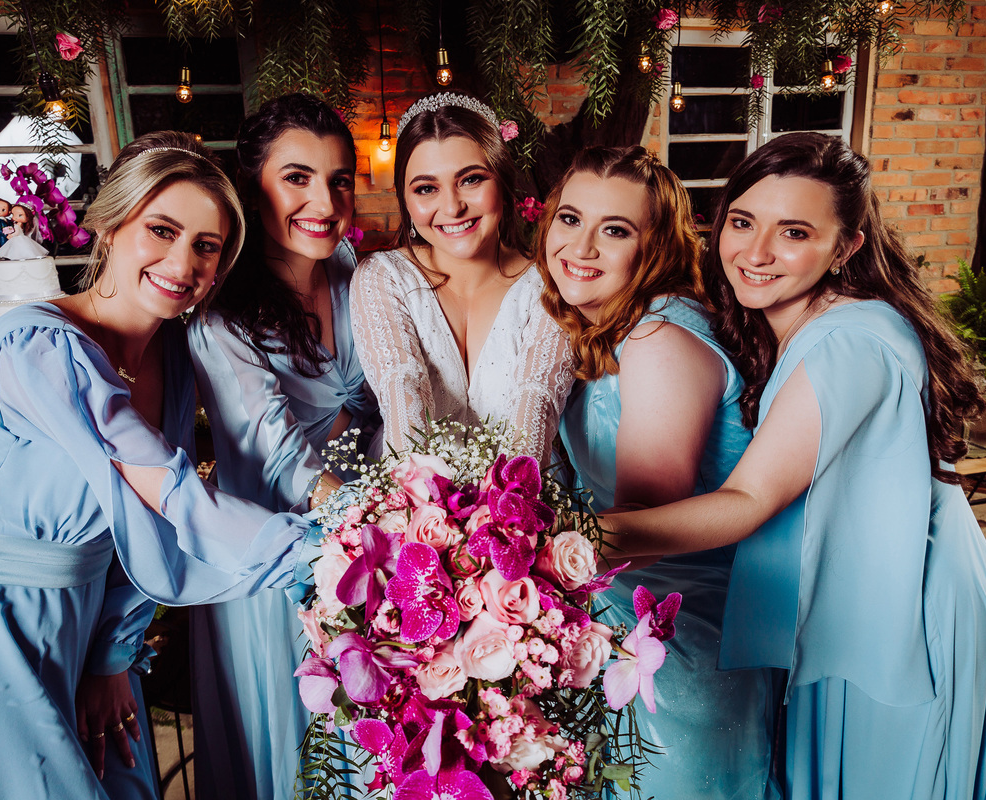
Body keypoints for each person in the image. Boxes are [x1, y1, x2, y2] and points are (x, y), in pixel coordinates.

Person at [0, 131, 320, 800]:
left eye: (206, 246)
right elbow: (172, 494)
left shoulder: (173, 358)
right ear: (109, 227)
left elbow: (136, 528)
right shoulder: (35, 348)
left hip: (85, 640)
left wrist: (113, 658)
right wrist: (333, 551)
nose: (182, 261)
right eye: (162, 230)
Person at [599, 132, 986, 799]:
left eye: (793, 232)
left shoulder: (848, 340)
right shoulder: (791, 322)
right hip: (864, 588)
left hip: (908, 604)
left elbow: (748, 500)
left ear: (845, 247)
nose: (755, 253)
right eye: (742, 222)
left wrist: (574, 540)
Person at [536, 145, 778, 798]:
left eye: (614, 230)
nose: (580, 247)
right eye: (569, 219)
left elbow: (638, 537)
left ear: (656, 248)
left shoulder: (656, 338)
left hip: (674, 648)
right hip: (614, 632)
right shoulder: (601, 327)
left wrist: (497, 561)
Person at [186, 93, 375, 800]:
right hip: (277, 563)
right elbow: (282, 456)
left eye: (338, 179)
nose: (323, 201)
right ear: (252, 184)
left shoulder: (357, 272)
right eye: (297, 177)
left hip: (368, 551)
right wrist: (384, 536)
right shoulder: (221, 314)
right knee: (302, 761)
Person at [350, 92, 574, 466]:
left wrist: (504, 512)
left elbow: (537, 402)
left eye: (470, 179)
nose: (452, 207)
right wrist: (420, 508)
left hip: (524, 493)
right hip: (412, 496)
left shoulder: (550, 284)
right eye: (426, 188)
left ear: (502, 182)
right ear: (405, 201)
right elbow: (402, 390)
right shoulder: (382, 278)